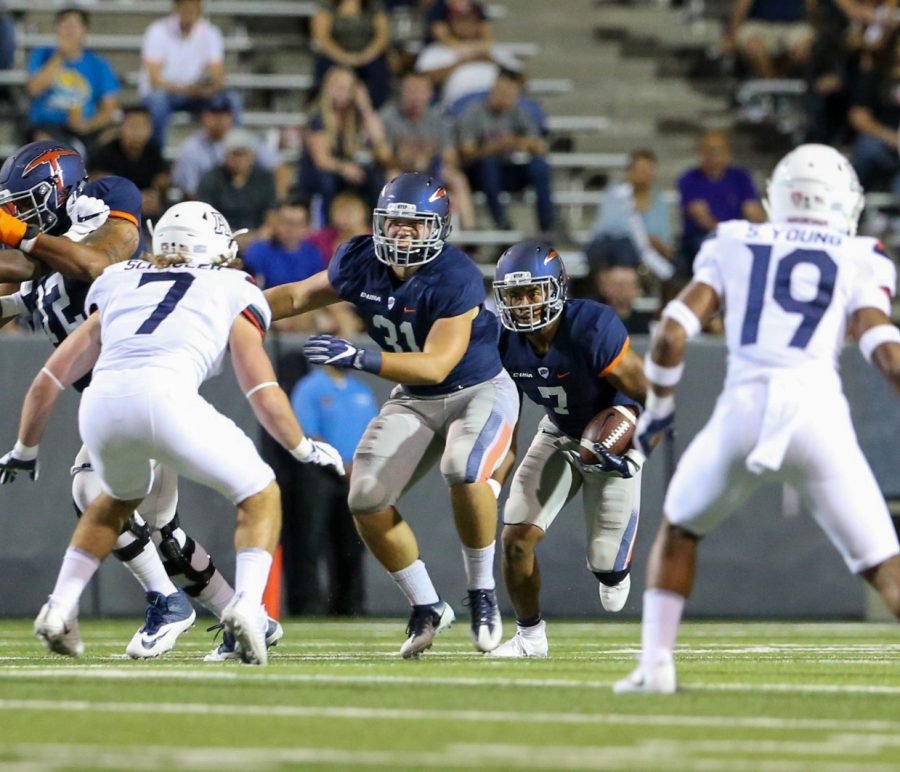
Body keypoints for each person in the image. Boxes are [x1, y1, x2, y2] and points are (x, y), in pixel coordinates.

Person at [614, 144, 900, 694]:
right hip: (818, 415)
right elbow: (883, 347)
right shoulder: (862, 252)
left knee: (678, 530)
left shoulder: (733, 239)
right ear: (843, 202)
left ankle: (656, 667)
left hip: (742, 410)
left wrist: (661, 408)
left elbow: (672, 333)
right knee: (882, 565)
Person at [3, 201, 343, 663]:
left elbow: (51, 376)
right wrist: (301, 447)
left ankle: (60, 607)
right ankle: (246, 609)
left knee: (111, 504)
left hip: (101, 405)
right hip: (167, 399)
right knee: (260, 494)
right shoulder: (232, 285)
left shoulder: (119, 280)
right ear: (218, 247)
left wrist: (26, 447)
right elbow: (260, 384)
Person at [0, 141, 265, 661]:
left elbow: (95, 260)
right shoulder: (47, 268)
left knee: (91, 488)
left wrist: (18, 234)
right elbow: (27, 278)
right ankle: (245, 613)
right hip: (120, 397)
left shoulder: (106, 204)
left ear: (62, 189)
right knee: (161, 531)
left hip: (144, 382)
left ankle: (166, 602)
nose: (17, 217)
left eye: (26, 206)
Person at [266, 172, 518, 657]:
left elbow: (438, 364)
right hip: (415, 399)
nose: (402, 233)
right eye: (395, 222)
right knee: (364, 496)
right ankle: (426, 604)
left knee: (463, 470)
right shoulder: (361, 259)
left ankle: (482, 591)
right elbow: (296, 297)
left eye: (414, 224)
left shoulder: (454, 274)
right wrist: (236, 308)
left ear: (439, 229)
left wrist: (362, 357)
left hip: (478, 389)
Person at [489, 240, 647, 657]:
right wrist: (494, 475)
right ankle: (529, 637)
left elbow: (655, 396)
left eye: (531, 292)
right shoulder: (504, 341)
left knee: (608, 569)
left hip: (615, 431)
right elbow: (506, 415)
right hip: (559, 432)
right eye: (513, 295)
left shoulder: (591, 326)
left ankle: (613, 572)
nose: (522, 304)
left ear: (556, 288)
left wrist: (633, 448)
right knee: (515, 539)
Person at [287, 365, 379, 615]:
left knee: (352, 542)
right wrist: (340, 463)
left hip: (355, 476)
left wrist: (360, 466)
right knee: (310, 541)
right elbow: (306, 432)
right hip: (319, 475)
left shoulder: (361, 389)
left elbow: (375, 431)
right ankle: (307, 606)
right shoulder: (310, 387)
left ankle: (351, 605)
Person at [458, 68, 554, 233]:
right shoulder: (473, 112)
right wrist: (494, 147)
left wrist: (517, 141)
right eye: (502, 91)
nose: (506, 97)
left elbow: (540, 146)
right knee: (489, 164)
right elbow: (466, 153)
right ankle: (501, 223)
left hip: (509, 169)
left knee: (540, 166)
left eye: (511, 93)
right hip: (479, 174)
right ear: (494, 88)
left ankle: (548, 225)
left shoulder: (518, 112)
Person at [379, 72, 475, 229]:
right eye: (411, 90)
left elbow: (451, 157)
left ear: (430, 94)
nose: (415, 96)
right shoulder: (388, 118)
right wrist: (407, 159)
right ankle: (393, 225)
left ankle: (470, 233)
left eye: (420, 90)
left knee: (457, 178)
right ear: (401, 93)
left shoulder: (439, 120)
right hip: (401, 169)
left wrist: (430, 157)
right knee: (391, 176)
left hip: (432, 169)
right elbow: (382, 156)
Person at [295, 66, 389, 220]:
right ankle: (327, 224)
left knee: (374, 176)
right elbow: (322, 161)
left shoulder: (353, 116)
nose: (342, 93)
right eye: (338, 87)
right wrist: (344, 168)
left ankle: (374, 224)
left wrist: (365, 106)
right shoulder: (317, 117)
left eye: (347, 88)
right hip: (319, 172)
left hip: (345, 170)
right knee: (327, 181)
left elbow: (378, 139)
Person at [139, 0, 237, 146]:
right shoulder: (157, 31)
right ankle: (155, 156)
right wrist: (187, 89)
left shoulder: (210, 32)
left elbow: (218, 78)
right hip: (166, 94)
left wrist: (206, 89)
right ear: (176, 8)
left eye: (194, 7)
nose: (189, 11)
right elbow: (155, 81)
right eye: (185, 7)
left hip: (197, 94)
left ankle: (234, 150)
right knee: (157, 101)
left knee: (231, 99)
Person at [26, 7, 119, 154]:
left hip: (86, 126)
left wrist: (87, 125)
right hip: (48, 125)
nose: (69, 31)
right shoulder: (42, 54)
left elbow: (109, 108)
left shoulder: (98, 64)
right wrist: (60, 56)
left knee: (111, 139)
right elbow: (34, 89)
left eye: (74, 26)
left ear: (84, 30)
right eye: (64, 25)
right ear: (56, 29)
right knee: (43, 142)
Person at [676, 129, 765, 277]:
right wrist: (729, 235)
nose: (714, 155)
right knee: (709, 247)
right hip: (704, 237)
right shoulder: (688, 179)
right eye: (709, 150)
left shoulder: (741, 177)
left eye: (718, 150)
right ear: (701, 152)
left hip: (737, 234)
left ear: (727, 152)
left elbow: (752, 210)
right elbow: (701, 217)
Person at [170, 95, 286, 200]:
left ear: (232, 116)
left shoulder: (245, 140)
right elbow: (190, 192)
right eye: (214, 113)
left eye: (224, 114)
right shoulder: (191, 148)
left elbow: (279, 168)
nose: (220, 119)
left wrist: (275, 204)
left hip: (247, 207)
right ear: (204, 116)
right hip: (209, 206)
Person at [586, 149, 675, 282]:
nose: (643, 174)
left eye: (647, 169)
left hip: (643, 256)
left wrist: (656, 243)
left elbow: (665, 239)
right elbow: (609, 227)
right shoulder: (616, 194)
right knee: (621, 248)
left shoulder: (659, 202)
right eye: (639, 169)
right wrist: (642, 238)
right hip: (612, 249)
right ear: (629, 171)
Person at [196, 128, 277, 247]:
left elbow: (271, 216)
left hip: (258, 240)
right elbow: (204, 218)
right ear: (225, 156)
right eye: (234, 154)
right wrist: (232, 238)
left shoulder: (264, 179)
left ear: (252, 156)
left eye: (243, 154)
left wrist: (255, 237)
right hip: (219, 239)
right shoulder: (211, 179)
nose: (239, 159)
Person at [90, 105, 169, 220]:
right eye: (134, 126)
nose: (139, 132)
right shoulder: (106, 151)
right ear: (122, 127)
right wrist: (136, 198)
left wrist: (155, 194)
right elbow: (101, 185)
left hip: (146, 211)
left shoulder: (154, 152)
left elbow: (162, 181)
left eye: (144, 126)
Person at [311, 0, 392, 109]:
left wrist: (365, 56)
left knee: (378, 70)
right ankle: (327, 112)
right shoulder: (327, 6)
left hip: (367, 57)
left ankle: (374, 109)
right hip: (335, 56)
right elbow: (322, 38)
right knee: (325, 68)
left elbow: (382, 37)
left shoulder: (373, 6)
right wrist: (344, 57)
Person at [242, 200, 325, 289]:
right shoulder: (257, 251)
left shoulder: (313, 255)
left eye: (294, 223)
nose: (288, 228)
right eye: (283, 221)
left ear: (306, 227)